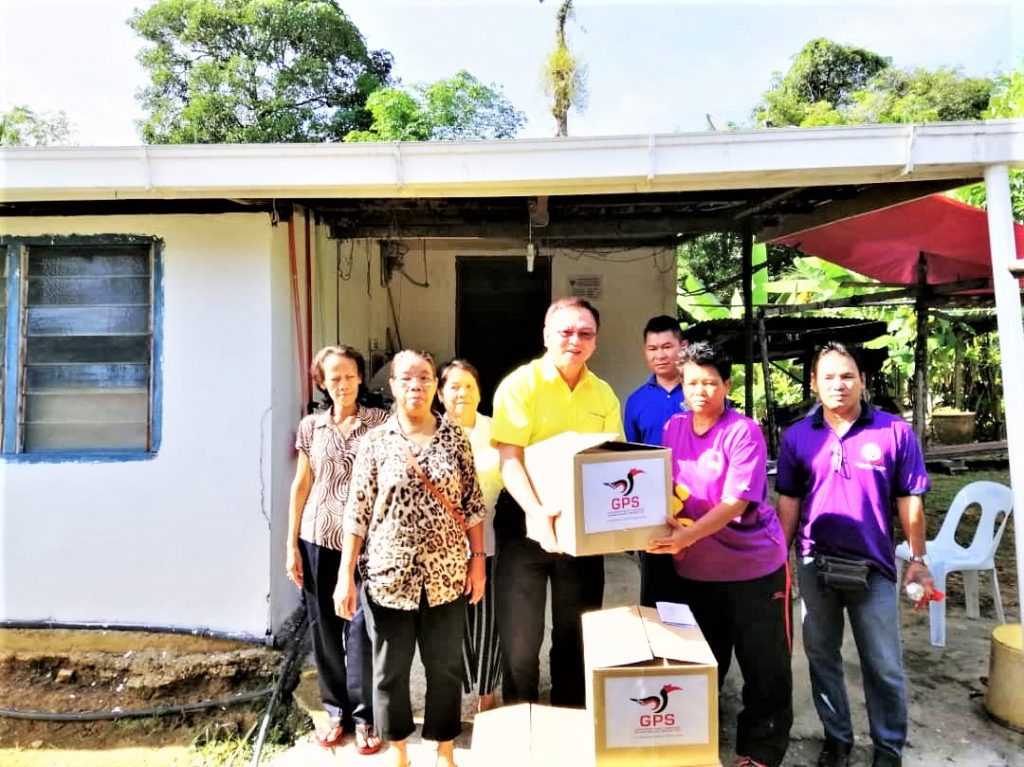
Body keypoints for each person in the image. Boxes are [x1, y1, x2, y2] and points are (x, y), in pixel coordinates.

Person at [775, 342, 933, 767]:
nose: (838, 385)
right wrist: (778, 560)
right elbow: (789, 500)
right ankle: (837, 739)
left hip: (874, 566)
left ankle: (888, 748)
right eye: (828, 377)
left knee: (882, 663)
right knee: (821, 656)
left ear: (863, 380)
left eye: (847, 376)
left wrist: (918, 560)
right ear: (813, 383)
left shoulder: (893, 431)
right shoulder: (797, 436)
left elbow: (910, 499)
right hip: (815, 563)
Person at [336, 350, 487, 767]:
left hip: (446, 576)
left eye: (424, 377)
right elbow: (357, 512)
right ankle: (399, 750)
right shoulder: (375, 442)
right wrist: (345, 575)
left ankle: (444, 750)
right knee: (390, 671)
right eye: (406, 378)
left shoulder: (455, 438)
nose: (416, 385)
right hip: (389, 577)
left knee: (445, 667)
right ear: (392, 386)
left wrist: (478, 561)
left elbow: (473, 505)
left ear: (435, 385)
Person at [647, 341, 792, 767]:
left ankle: (760, 752)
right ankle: (696, 745)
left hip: (753, 570)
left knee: (764, 666)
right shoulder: (673, 428)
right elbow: (664, 487)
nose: (701, 391)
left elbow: (735, 502)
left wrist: (685, 537)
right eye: (692, 382)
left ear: (727, 385)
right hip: (696, 571)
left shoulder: (743, 431)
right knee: (701, 663)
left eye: (710, 383)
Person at [490, 296, 623, 707]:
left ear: (595, 342)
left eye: (585, 333)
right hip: (523, 520)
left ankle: (569, 714)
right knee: (520, 637)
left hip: (582, 527)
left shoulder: (603, 394)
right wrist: (537, 513)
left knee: (576, 632)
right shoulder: (520, 385)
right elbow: (510, 459)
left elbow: (610, 462)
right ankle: (522, 715)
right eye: (565, 332)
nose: (574, 341)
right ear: (546, 335)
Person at [285, 345, 385, 754]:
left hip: (366, 543)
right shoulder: (311, 427)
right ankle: (335, 710)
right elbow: (301, 485)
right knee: (323, 628)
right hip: (316, 537)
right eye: (334, 378)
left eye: (349, 375)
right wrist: (290, 544)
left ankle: (364, 715)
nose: (342, 384)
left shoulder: (380, 423)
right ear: (322, 383)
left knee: (361, 628)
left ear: (360, 378)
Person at [438, 359, 505, 713]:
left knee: (488, 621)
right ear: (440, 394)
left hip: (489, 540)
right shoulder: (430, 433)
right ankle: (452, 688)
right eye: (453, 386)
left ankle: (486, 693)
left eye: (469, 386)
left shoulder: (497, 431)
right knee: (449, 623)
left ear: (480, 393)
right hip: (442, 548)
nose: (461, 393)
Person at [623, 314, 687, 608]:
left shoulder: (700, 391)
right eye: (652, 348)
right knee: (656, 587)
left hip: (698, 503)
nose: (660, 355)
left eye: (667, 347)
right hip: (653, 507)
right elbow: (629, 456)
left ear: (683, 347)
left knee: (699, 585)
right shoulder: (636, 401)